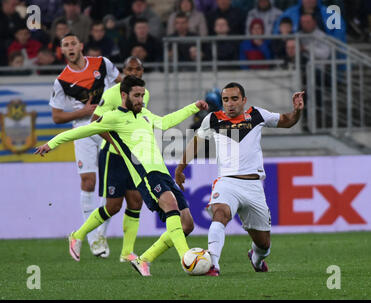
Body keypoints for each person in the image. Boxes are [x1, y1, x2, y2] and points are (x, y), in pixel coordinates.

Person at [35, 75, 209, 277]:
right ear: (124, 95)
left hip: (162, 172)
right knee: (169, 206)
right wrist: (51, 144)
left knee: (187, 224)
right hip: (145, 174)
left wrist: (194, 107)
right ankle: (186, 259)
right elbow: (81, 131)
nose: (140, 100)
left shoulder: (144, 113)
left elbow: (164, 122)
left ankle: (145, 259)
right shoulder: (113, 118)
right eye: (136, 95)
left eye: (143, 95)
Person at [175, 82, 305, 276]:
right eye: (225, 100)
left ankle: (256, 257)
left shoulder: (257, 115)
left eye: (234, 99)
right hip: (227, 182)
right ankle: (213, 265)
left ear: (244, 100)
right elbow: (196, 143)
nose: (230, 103)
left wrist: (297, 111)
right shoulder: (213, 119)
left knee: (263, 243)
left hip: (253, 185)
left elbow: (287, 120)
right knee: (220, 213)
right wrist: (180, 168)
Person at [49, 32, 122, 258]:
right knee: (88, 181)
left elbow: (123, 84)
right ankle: (91, 239)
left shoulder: (102, 63)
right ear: (63, 51)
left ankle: (101, 234)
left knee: (110, 183)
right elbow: (57, 116)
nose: (70, 47)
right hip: (83, 130)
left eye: (73, 43)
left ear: (81, 45)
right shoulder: (61, 80)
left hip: (108, 126)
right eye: (65, 45)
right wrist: (82, 111)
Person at [91, 56, 150, 262]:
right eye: (130, 69)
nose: (134, 72)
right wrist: (116, 144)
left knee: (136, 201)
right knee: (113, 205)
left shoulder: (144, 94)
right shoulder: (112, 94)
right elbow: (94, 121)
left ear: (142, 72)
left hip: (133, 156)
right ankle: (91, 236)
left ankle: (127, 253)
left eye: (138, 69)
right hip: (113, 155)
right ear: (123, 72)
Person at [273, 0, 346, 42]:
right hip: (296, 57)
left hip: (324, 55)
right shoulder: (288, 14)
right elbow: (277, 35)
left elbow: (339, 39)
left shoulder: (331, 15)